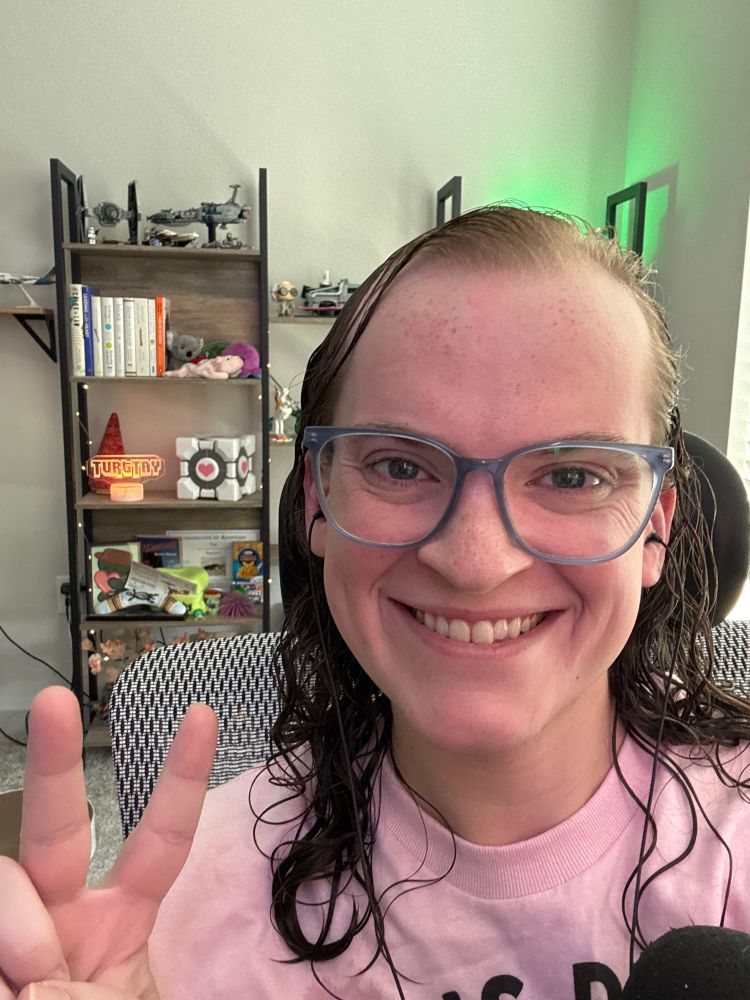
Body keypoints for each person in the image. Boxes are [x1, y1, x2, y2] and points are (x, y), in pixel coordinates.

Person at [3, 205, 750, 1000]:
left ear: (654, 528)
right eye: (399, 466)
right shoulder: (184, 920)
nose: (475, 563)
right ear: (316, 503)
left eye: (572, 476)